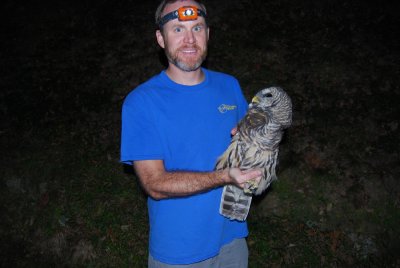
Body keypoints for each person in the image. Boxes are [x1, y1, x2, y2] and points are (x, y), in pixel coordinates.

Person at [120, 0, 261, 266]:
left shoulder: (229, 86)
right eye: (177, 30)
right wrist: (225, 176)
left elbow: (248, 143)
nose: (189, 39)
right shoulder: (141, 102)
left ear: (208, 34)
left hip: (232, 239)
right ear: (160, 39)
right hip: (179, 251)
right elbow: (155, 184)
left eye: (197, 28)